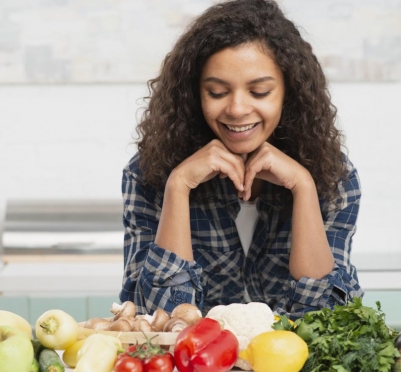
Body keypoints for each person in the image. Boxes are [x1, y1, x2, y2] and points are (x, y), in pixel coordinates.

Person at [119, 0, 363, 319]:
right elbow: (151, 321)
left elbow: (331, 322)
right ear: (195, 94)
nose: (236, 109)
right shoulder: (147, 173)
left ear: (289, 94)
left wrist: (303, 187)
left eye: (259, 92)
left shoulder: (335, 178)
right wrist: (178, 186)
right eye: (218, 93)